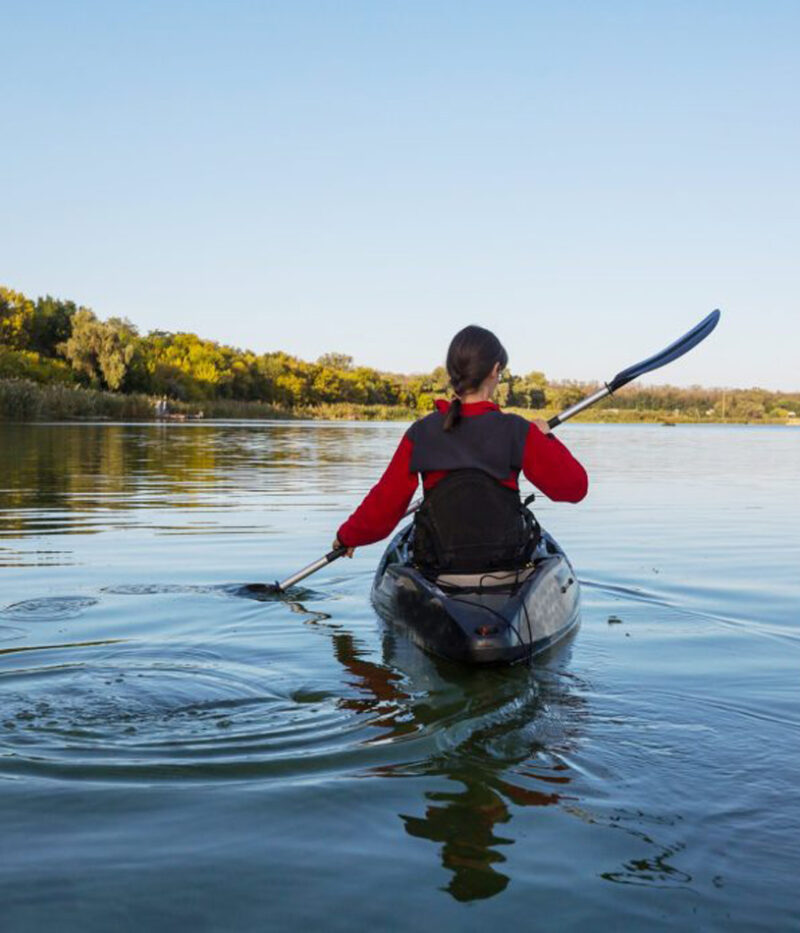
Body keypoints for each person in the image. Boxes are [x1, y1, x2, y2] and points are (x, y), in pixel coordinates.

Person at [333, 325, 588, 571]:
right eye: (501, 373)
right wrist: (547, 439)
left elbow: (385, 504)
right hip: (504, 563)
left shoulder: (420, 433)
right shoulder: (518, 430)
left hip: (439, 565)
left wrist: (347, 536)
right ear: (495, 370)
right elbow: (574, 488)